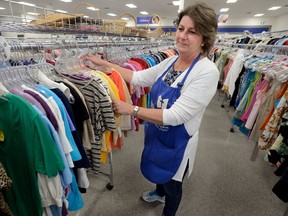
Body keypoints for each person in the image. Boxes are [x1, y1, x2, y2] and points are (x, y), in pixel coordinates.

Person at [82, 2, 219, 216]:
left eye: (192, 32)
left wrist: (131, 109)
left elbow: (176, 116)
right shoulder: (171, 61)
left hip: (178, 140)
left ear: (205, 39)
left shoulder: (206, 71)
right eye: (181, 28)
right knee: (157, 167)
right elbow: (137, 77)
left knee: (174, 181)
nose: (182, 36)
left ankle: (169, 211)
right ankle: (158, 192)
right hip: (157, 130)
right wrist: (103, 64)